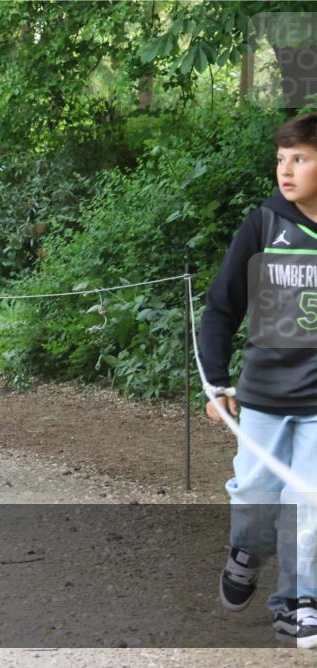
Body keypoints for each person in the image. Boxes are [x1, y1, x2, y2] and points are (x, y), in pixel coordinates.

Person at [199, 111, 317, 649]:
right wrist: (216, 383)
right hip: (264, 397)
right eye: (281, 160)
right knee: (255, 492)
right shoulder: (265, 224)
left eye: (300, 159)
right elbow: (222, 307)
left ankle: (298, 602)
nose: (285, 171)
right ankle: (246, 552)